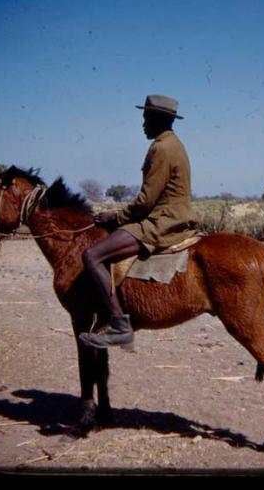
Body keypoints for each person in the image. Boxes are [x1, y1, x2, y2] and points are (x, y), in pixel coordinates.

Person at [79, 95, 199, 349]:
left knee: (91, 255)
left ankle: (120, 325)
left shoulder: (161, 148)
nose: (143, 123)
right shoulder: (174, 144)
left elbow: (146, 200)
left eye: (146, 117)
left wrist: (116, 217)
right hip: (173, 216)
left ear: (158, 119)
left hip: (162, 222)